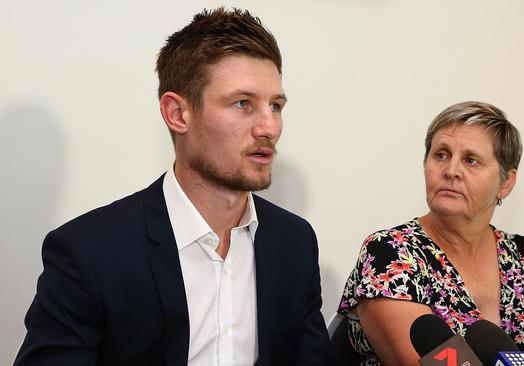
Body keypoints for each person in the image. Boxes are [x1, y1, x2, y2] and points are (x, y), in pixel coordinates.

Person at [14, 7, 332, 366]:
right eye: (243, 103)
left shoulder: (294, 241)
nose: (269, 127)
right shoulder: (90, 252)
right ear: (178, 114)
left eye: (275, 106)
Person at [338, 101, 524, 365]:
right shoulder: (390, 252)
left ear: (506, 183)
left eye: (471, 160)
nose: (451, 171)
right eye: (441, 155)